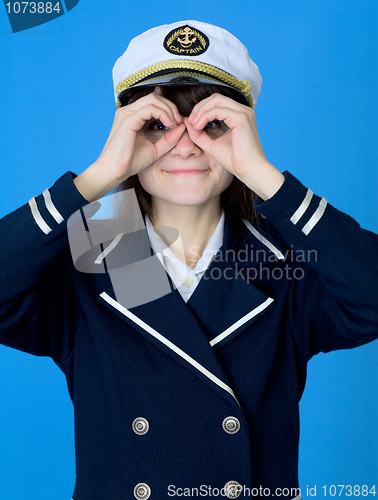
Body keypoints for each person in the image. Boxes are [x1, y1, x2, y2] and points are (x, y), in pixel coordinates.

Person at [0, 20, 377, 500]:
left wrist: (264, 176)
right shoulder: (92, 259)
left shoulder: (286, 267)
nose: (183, 143)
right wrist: (95, 179)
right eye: (156, 124)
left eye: (212, 124)